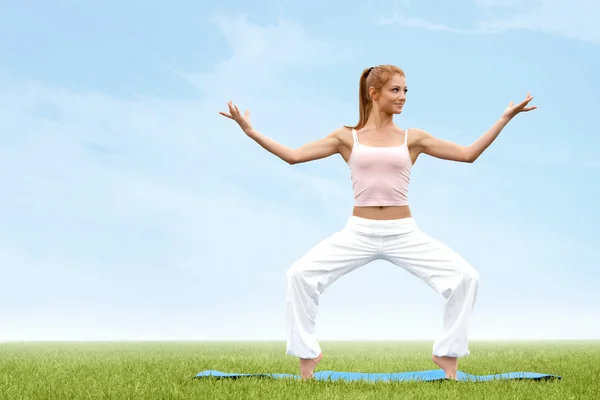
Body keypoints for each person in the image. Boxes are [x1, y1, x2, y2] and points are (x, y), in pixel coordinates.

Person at [219, 64, 537, 380]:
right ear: (375, 93)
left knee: (465, 277)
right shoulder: (347, 137)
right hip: (359, 232)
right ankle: (307, 358)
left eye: (405, 91)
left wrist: (504, 119)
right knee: (299, 275)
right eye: (395, 90)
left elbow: (468, 154)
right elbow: (293, 155)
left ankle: (447, 354)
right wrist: (250, 131)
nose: (403, 97)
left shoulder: (413, 138)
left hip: (403, 232)